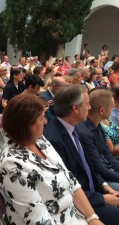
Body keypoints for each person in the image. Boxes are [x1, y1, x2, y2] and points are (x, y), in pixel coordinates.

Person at [0, 94, 103, 225]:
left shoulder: (39, 140)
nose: (46, 122)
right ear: (27, 125)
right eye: (41, 118)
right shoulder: (12, 166)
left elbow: (71, 180)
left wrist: (92, 218)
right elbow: (40, 221)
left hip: (73, 214)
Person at [44, 85, 119, 225]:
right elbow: (66, 188)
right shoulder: (54, 140)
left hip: (94, 191)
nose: (90, 108)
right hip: (81, 203)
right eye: (87, 104)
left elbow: (87, 166)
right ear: (75, 108)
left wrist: (103, 185)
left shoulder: (74, 127)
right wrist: (102, 199)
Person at [77, 88, 119, 190]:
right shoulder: (84, 133)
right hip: (100, 180)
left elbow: (107, 155)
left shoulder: (97, 125)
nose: (113, 110)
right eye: (112, 107)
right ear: (102, 110)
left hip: (108, 171)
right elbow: (99, 168)